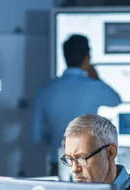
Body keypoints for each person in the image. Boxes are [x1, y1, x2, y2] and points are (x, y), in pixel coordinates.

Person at [30, 34, 122, 175]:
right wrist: (96, 77)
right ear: (87, 58)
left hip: (58, 164)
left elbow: (36, 135)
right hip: (90, 164)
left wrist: (56, 139)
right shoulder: (94, 87)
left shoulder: (46, 89)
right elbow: (116, 100)